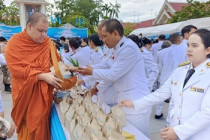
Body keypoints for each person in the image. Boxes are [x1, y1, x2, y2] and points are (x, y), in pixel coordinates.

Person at [119, 29, 210, 140]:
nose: (189, 49)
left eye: (195, 46)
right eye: (188, 45)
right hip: (174, 131)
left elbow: (207, 113)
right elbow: (161, 94)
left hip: (198, 135)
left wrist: (178, 131)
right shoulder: (181, 70)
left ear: (207, 50)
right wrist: (134, 103)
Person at [76, 19, 151, 136]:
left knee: (138, 135)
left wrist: (92, 72)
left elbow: (113, 74)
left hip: (136, 101)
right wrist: (84, 70)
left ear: (115, 33)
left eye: (105, 36)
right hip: (124, 99)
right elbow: (106, 64)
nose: (103, 40)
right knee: (126, 134)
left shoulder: (128, 48)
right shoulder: (116, 48)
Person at [5, 12, 63, 140]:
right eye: (40, 31)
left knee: (42, 127)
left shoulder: (48, 44)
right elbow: (17, 70)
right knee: (28, 129)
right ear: (29, 26)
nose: (44, 35)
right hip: (25, 95)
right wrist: (42, 76)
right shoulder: (15, 43)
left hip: (43, 97)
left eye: (46, 31)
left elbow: (57, 66)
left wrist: (63, 76)